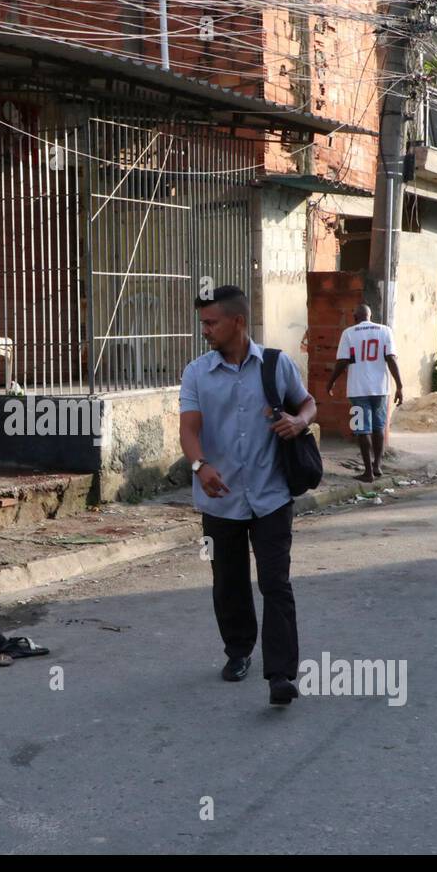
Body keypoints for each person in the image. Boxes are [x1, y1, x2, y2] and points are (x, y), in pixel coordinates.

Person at [179, 286, 317, 707]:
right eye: (203, 322)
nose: (205, 330)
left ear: (237, 322)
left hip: (272, 494)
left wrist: (298, 421)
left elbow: (308, 403)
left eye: (211, 322)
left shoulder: (276, 364)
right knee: (229, 580)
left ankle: (281, 676)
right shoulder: (197, 373)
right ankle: (238, 652)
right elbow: (189, 430)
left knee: (276, 584)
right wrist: (201, 467)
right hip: (220, 497)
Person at [325, 304, 403, 482]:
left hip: (357, 390)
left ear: (355, 317)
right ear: (370, 315)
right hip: (381, 390)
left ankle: (368, 472)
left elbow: (343, 361)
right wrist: (399, 385)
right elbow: (391, 358)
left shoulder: (349, 333)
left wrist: (331, 382)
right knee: (379, 427)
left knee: (362, 430)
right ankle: (377, 466)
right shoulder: (385, 331)